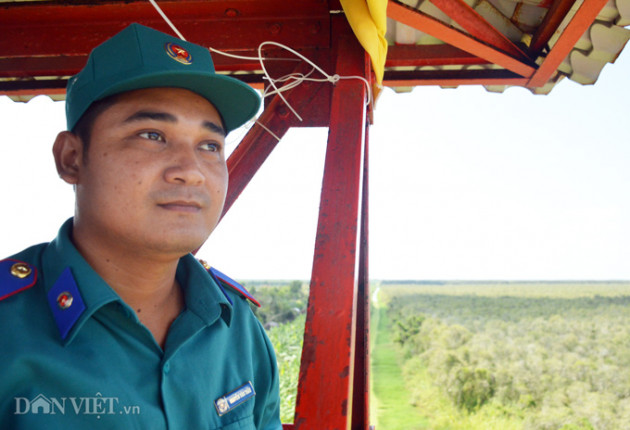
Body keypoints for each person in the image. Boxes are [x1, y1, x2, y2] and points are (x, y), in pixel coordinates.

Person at [0, 23, 282, 429]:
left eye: (209, 146)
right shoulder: (9, 331)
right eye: (151, 135)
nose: (191, 172)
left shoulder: (237, 328)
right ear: (72, 158)